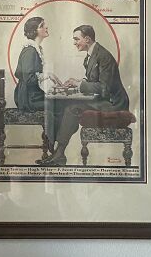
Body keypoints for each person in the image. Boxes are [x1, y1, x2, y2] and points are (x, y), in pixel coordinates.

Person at [37, 24, 129, 166]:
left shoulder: (103, 56)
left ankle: (59, 153)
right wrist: (78, 82)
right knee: (62, 105)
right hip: (104, 100)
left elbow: (104, 88)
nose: (74, 43)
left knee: (71, 109)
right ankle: (56, 150)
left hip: (114, 104)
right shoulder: (92, 54)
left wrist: (79, 85)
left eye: (76, 39)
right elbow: (95, 81)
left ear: (87, 39)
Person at [13, 16, 62, 147]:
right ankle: (53, 145)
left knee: (59, 103)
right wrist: (46, 76)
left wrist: (47, 77)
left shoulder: (36, 49)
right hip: (27, 98)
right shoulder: (30, 51)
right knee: (59, 106)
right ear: (34, 31)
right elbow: (28, 79)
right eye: (42, 26)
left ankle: (53, 143)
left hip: (32, 94)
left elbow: (33, 77)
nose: (46, 27)